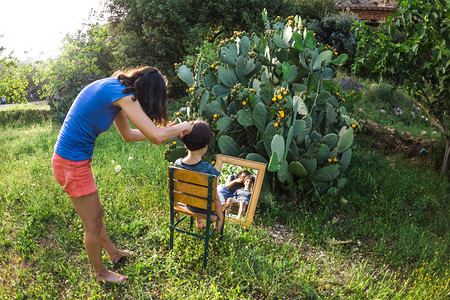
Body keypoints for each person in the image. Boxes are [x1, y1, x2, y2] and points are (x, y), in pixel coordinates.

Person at [51, 66, 193, 283]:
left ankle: (114, 254)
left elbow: (128, 135)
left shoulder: (116, 89)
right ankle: (101, 274)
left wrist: (165, 131)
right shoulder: (123, 94)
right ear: (150, 93)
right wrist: (186, 126)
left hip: (73, 162)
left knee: (96, 213)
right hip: (72, 164)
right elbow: (156, 136)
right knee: (91, 224)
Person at [174, 120, 224, 232]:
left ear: (185, 143)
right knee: (221, 197)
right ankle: (216, 228)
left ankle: (199, 221)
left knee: (196, 190)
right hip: (206, 209)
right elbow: (215, 199)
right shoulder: (208, 169)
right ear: (205, 146)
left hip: (189, 204)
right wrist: (220, 218)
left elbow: (174, 188)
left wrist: (175, 208)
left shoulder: (177, 164)